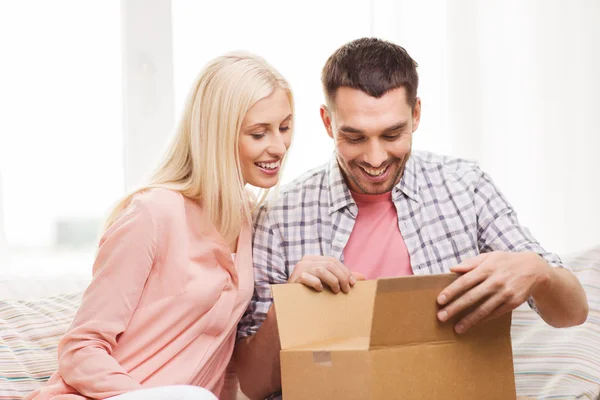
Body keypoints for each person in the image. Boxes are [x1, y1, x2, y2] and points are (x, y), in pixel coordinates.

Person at [233, 37, 589, 400]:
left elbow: (572, 313)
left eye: (392, 134)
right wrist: (290, 307)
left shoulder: (466, 187)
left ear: (416, 114)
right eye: (354, 137)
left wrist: (538, 272)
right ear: (327, 121)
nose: (375, 158)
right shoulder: (279, 216)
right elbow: (252, 384)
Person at [25, 51, 294, 400]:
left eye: (285, 128)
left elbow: (219, 360)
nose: (278, 146)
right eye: (259, 133)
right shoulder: (152, 214)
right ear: (217, 135)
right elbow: (81, 349)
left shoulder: (251, 221)